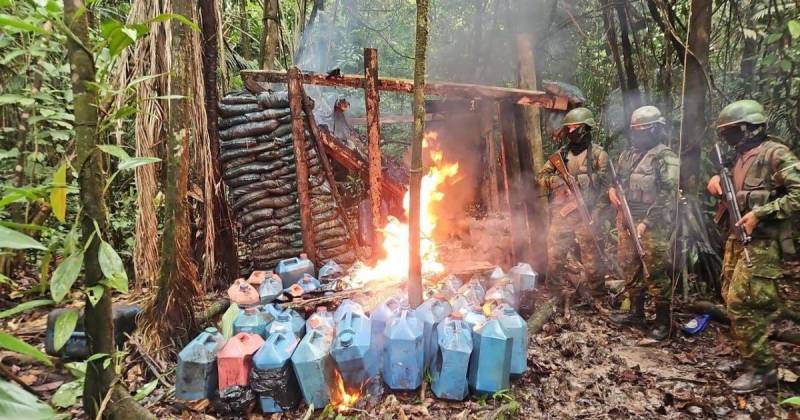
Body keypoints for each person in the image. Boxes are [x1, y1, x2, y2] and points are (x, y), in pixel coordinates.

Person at [706, 99, 800, 393]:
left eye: (731, 130)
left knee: (742, 302)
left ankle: (764, 371)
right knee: (729, 295)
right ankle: (750, 358)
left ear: (748, 128)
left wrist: (761, 213)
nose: (727, 137)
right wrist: (715, 182)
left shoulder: (775, 154)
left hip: (764, 242)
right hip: (736, 237)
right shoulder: (737, 157)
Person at [609, 106, 679, 340]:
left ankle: (662, 321)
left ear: (655, 129)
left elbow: (668, 196)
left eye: (644, 130)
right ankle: (636, 312)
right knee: (629, 266)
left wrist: (647, 222)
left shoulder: (665, 156)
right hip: (626, 218)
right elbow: (618, 181)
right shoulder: (627, 155)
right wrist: (612, 192)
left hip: (653, 222)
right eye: (635, 130)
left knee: (655, 271)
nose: (638, 134)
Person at [537, 107, 610, 305]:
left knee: (592, 256)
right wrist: (559, 183)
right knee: (555, 252)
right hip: (563, 213)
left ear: (586, 128)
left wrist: (596, 214)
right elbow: (541, 177)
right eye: (568, 128)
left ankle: (598, 296)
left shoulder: (598, 155)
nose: (570, 131)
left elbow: (606, 189)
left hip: (588, 213)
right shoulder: (561, 155)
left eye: (575, 127)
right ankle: (554, 293)